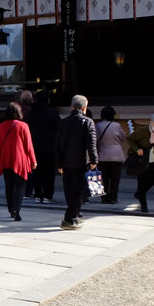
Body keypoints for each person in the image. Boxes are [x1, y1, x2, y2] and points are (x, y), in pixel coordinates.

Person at [55, 95, 98, 229]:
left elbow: (57, 145)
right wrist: (94, 160)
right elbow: (91, 144)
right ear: (84, 107)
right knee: (79, 191)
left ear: (71, 107)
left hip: (66, 161)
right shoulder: (88, 122)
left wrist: (59, 163)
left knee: (69, 190)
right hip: (81, 161)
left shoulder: (63, 122)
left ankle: (76, 214)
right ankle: (69, 219)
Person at [0, 102, 37, 221]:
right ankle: (16, 210)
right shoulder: (23, 126)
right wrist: (33, 160)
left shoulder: (2, 126)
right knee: (20, 186)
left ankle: (10, 209)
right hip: (20, 160)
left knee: (9, 186)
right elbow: (28, 145)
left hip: (6, 159)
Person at [127, 113, 154, 213]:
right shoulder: (142, 131)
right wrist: (137, 149)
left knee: (152, 181)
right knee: (141, 181)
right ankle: (144, 205)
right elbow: (130, 139)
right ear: (151, 123)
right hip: (141, 159)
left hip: (152, 159)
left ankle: (139, 194)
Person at [26, 91, 60, 203]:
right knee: (49, 173)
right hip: (50, 147)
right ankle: (47, 195)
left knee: (37, 172)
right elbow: (59, 128)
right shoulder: (53, 112)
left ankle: (38, 195)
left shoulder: (31, 112)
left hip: (34, 146)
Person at [96, 106, 127, 204]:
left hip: (102, 154)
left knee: (103, 178)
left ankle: (104, 198)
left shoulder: (98, 125)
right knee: (115, 178)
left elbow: (95, 139)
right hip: (116, 155)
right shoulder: (117, 125)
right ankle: (113, 198)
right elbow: (123, 137)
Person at [18, 91, 35, 197]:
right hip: (31, 140)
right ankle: (28, 191)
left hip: (19, 144)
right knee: (30, 169)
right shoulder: (33, 111)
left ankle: (23, 190)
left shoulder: (19, 112)